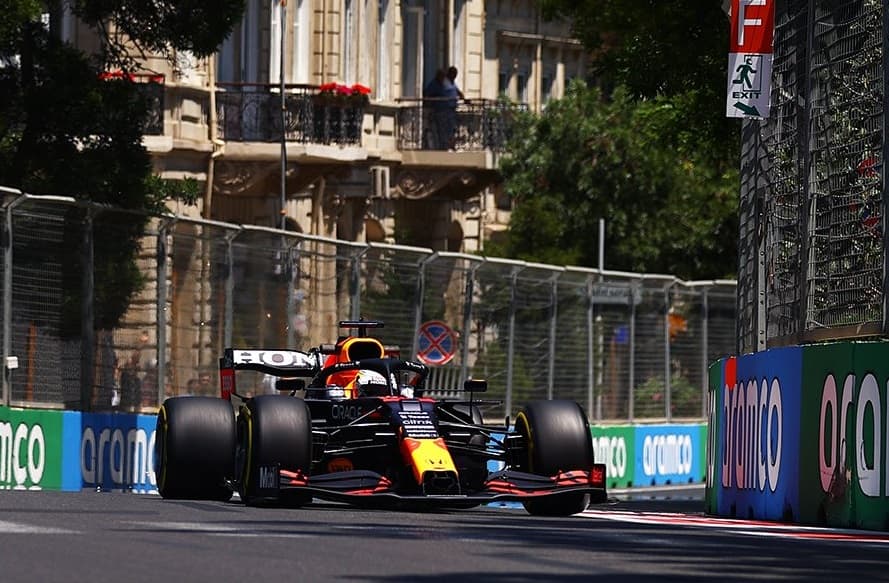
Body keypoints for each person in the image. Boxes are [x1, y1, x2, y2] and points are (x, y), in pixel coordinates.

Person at [423, 69, 449, 149]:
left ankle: (443, 145)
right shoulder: (433, 85)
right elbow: (427, 96)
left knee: (443, 130)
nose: (443, 79)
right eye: (442, 76)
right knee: (436, 130)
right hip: (436, 111)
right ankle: (436, 146)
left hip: (443, 111)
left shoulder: (443, 84)